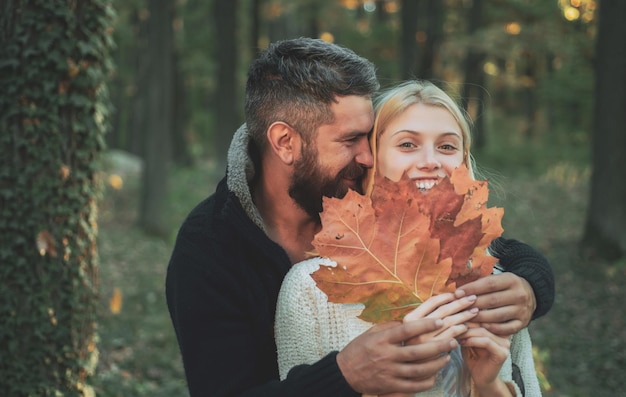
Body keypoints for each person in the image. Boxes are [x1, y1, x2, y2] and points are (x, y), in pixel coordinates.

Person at [165, 38, 554, 396]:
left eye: (368, 138)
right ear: (285, 142)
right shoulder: (209, 250)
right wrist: (345, 375)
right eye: (351, 140)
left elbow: (490, 250)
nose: (366, 157)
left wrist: (532, 285)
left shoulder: (353, 192)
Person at [275, 80, 543, 396]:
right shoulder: (311, 289)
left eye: (446, 146)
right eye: (407, 145)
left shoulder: (495, 286)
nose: (430, 161)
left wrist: (488, 385)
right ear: (371, 160)